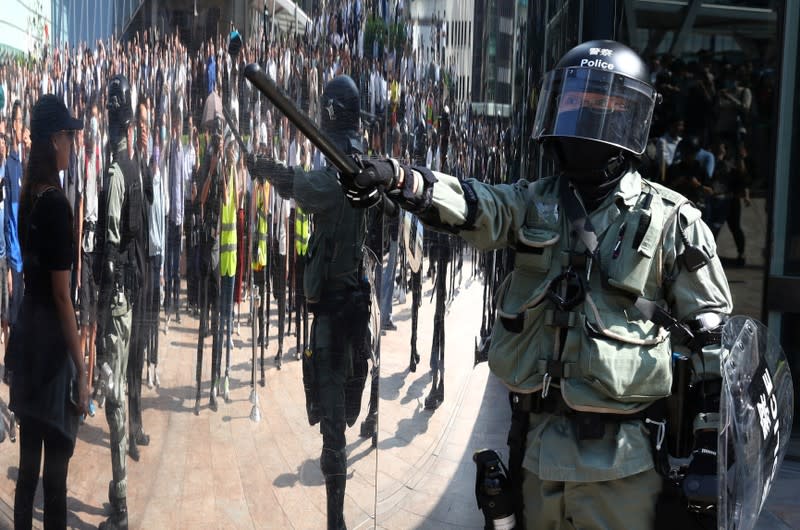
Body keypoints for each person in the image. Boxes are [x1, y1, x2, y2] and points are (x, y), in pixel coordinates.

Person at [345, 40, 733, 529]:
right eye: (575, 102)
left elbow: (713, 340)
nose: (584, 118)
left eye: (600, 106)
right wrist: (401, 179)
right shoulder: (533, 201)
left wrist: (707, 450)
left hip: (622, 463)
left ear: (628, 118)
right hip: (534, 449)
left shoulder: (673, 220)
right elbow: (474, 204)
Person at [248, 75, 372, 530]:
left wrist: (264, 167)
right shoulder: (360, 165)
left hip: (336, 319)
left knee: (333, 432)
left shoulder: (338, 179)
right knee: (338, 413)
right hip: (353, 311)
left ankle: (335, 522)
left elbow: (299, 184)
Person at [9, 94, 88, 529]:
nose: (72, 145)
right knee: (55, 483)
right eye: (68, 137)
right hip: (53, 352)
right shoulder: (56, 204)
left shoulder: (28, 198)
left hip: (28, 340)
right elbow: (62, 295)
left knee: (27, 476)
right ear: (53, 140)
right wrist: (82, 365)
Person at [96, 74, 147, 530]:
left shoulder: (115, 173)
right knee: (118, 396)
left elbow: (110, 251)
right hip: (128, 297)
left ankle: (122, 502)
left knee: (112, 401)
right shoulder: (133, 167)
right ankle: (119, 491)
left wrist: (103, 291)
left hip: (116, 303)